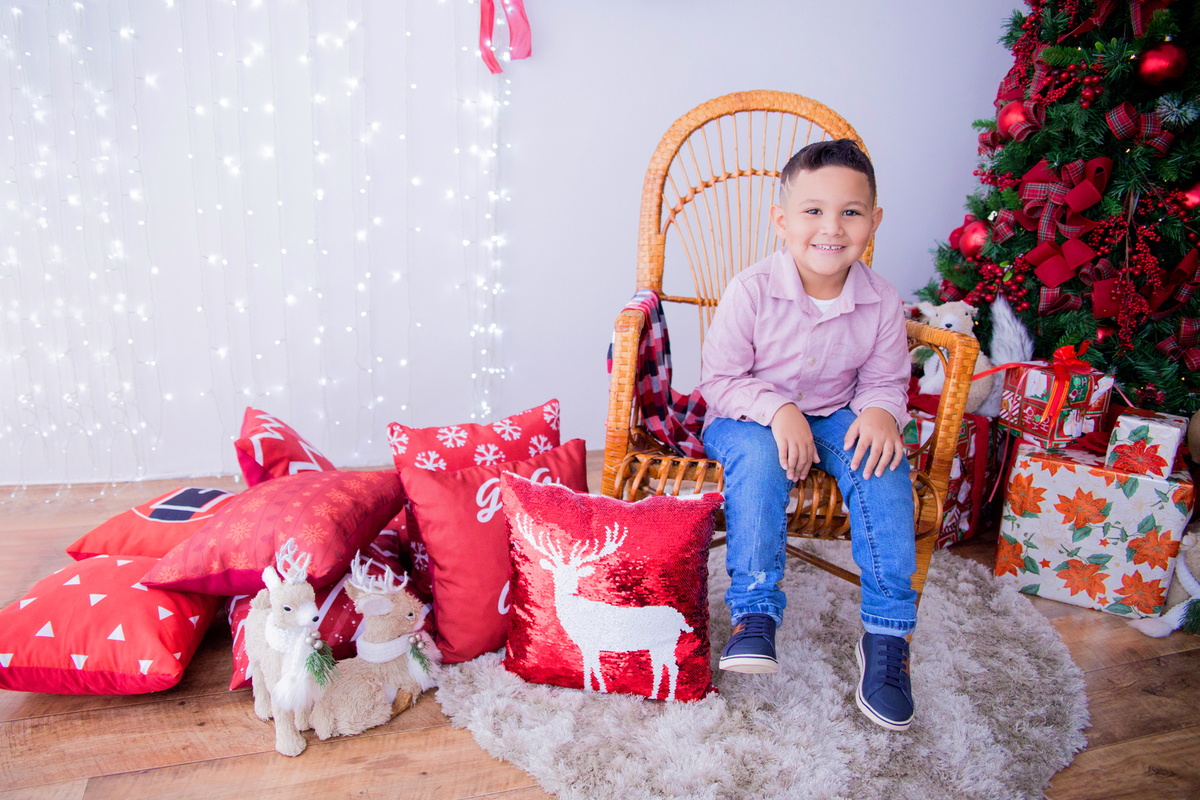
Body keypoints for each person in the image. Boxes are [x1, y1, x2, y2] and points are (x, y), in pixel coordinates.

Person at [697, 139, 917, 731]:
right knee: (760, 457)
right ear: (782, 220)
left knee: (884, 463)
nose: (832, 227)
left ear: (874, 221)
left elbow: (884, 380)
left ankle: (887, 635)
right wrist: (778, 409)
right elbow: (719, 381)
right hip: (746, 419)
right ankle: (755, 612)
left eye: (851, 212)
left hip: (836, 413)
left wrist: (880, 411)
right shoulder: (751, 290)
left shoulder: (881, 300)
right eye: (813, 210)